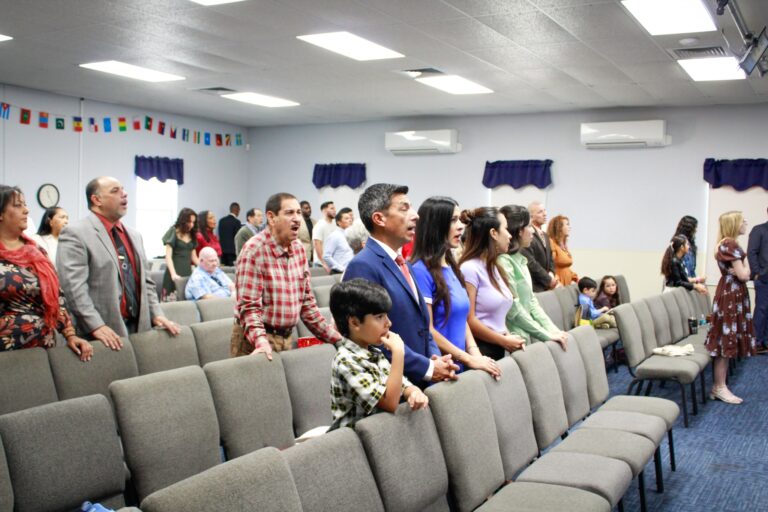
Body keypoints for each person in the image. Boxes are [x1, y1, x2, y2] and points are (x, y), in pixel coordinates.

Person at [343, 183, 458, 387]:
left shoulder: (402, 263)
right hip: (395, 387)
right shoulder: (363, 266)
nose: (416, 215)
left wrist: (434, 359)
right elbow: (373, 338)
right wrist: (427, 367)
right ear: (379, 219)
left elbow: (423, 325)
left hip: (421, 381)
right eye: (404, 208)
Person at [58, 177, 180, 348]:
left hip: (140, 328)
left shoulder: (134, 235)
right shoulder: (76, 233)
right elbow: (73, 287)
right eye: (115, 191)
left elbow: (146, 282)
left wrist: (156, 313)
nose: (124, 194)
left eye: (123, 189)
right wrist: (95, 325)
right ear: (97, 200)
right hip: (102, 334)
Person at [232, 192, 341, 359]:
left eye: (298, 212)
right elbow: (249, 308)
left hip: (286, 338)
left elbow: (307, 304)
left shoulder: (298, 249)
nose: (297, 218)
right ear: (271, 217)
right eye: (289, 213)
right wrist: (260, 341)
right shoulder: (254, 250)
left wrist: (337, 339)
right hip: (254, 341)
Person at [410, 196, 501, 377]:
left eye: (459, 220)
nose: (460, 226)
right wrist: (468, 358)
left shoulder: (451, 266)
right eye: (453, 220)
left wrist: (475, 355)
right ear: (435, 226)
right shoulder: (420, 271)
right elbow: (428, 330)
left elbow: (461, 318)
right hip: (443, 369)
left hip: (462, 364)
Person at [0, 185, 92, 361]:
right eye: (18, 205)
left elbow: (57, 297)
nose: (26, 210)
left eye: (25, 205)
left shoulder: (36, 251)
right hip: (5, 354)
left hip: (43, 347)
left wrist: (70, 335)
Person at [329, 279, 429, 430]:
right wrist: (398, 353)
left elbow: (402, 384)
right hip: (356, 440)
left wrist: (414, 392)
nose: (388, 323)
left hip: (378, 433)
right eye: (379, 317)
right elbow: (390, 402)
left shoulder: (373, 352)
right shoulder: (345, 361)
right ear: (355, 323)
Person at [497, 205, 568, 348]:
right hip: (511, 339)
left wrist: (554, 331)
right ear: (519, 231)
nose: (533, 231)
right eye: (529, 226)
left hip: (524, 334)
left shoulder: (520, 259)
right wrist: (546, 334)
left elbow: (531, 301)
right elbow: (514, 311)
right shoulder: (503, 261)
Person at [459, 207, 525, 360]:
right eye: (505, 229)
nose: (510, 235)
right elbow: (469, 320)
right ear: (494, 233)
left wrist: (508, 336)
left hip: (497, 346)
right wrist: (503, 340)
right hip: (480, 350)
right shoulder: (470, 268)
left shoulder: (493, 266)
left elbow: (496, 318)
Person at [706, 211, 755, 404]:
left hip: (730, 293)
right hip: (731, 296)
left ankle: (719, 386)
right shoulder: (730, 244)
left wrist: (743, 269)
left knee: (726, 340)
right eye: (743, 220)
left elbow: (743, 272)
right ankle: (719, 387)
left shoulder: (728, 244)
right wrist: (745, 268)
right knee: (725, 341)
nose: (745, 223)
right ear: (734, 224)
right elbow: (744, 275)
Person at [161, 208, 198, 301]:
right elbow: (168, 257)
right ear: (183, 221)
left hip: (187, 272)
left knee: (185, 301)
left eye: (193, 222)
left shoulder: (192, 234)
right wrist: (173, 274)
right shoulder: (173, 231)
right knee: (171, 302)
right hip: (174, 272)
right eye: (189, 222)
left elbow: (194, 257)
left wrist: (206, 267)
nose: (192, 225)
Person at [521, 201, 557, 292]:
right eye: (540, 212)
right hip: (535, 285)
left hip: (546, 285)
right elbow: (531, 262)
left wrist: (551, 273)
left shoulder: (545, 235)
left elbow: (550, 258)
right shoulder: (527, 235)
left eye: (544, 210)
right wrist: (548, 279)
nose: (545, 214)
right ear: (531, 216)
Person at [748, 207, 768, 354]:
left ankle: (765, 342)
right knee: (762, 309)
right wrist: (757, 273)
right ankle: (756, 343)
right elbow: (751, 252)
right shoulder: (759, 230)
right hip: (763, 278)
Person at [548, 215, 578, 286]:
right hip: (558, 284)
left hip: (567, 283)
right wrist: (556, 281)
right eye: (567, 224)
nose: (570, 227)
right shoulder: (552, 243)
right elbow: (549, 265)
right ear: (559, 227)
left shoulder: (563, 246)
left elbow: (566, 268)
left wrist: (575, 278)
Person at [323, 207, 355, 274]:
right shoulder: (334, 236)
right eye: (346, 218)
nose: (350, 220)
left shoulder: (350, 235)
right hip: (339, 272)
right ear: (339, 222)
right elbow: (326, 256)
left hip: (350, 271)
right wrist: (341, 268)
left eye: (350, 218)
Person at [674, 215, 703, 280]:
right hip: (683, 282)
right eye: (695, 228)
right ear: (689, 228)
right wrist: (696, 280)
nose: (696, 230)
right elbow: (687, 269)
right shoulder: (682, 242)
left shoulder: (686, 241)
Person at [312, 201, 337, 272]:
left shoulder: (334, 225)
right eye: (332, 208)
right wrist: (323, 263)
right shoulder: (320, 225)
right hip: (321, 264)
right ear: (324, 210)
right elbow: (317, 244)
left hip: (331, 263)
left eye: (335, 208)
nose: (335, 210)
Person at [218, 202, 242, 266]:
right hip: (232, 252)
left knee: (223, 269)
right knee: (232, 270)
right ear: (237, 210)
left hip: (222, 251)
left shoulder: (221, 221)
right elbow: (238, 237)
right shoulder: (237, 222)